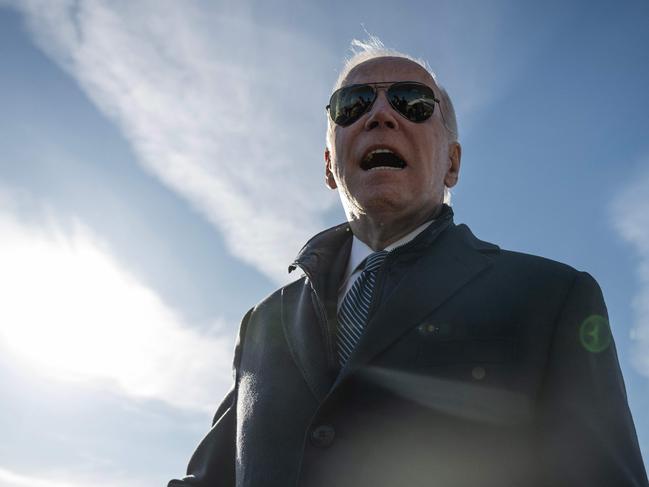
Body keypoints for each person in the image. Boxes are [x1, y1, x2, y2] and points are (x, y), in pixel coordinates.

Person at [169, 41, 648, 487]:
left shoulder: (553, 298)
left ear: (452, 163)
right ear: (329, 166)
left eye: (411, 102)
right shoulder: (262, 324)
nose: (380, 115)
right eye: (352, 105)